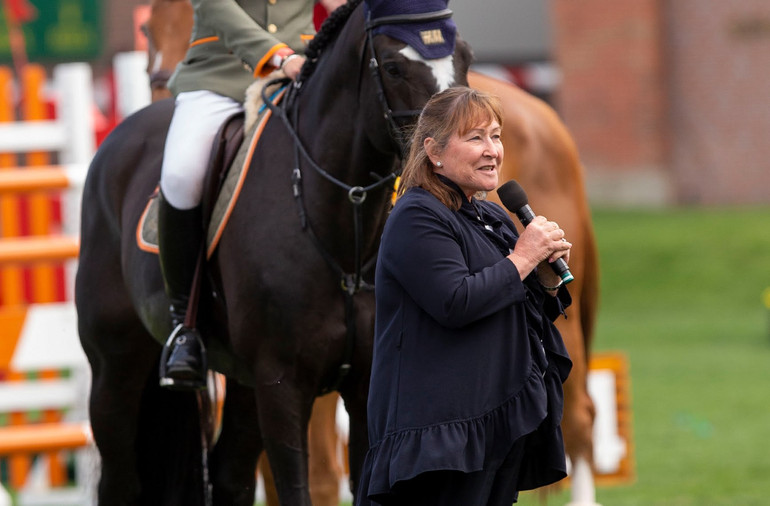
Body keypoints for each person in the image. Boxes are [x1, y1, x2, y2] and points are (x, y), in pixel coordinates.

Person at [356, 87, 574, 506]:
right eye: (475, 138)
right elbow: (456, 302)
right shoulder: (417, 216)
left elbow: (517, 304)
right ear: (433, 151)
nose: (492, 150)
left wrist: (545, 276)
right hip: (439, 440)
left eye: (496, 136)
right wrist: (523, 257)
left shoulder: (491, 214)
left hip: (491, 423)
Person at [158, 0, 323, 389]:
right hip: (222, 75)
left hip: (309, 73)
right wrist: (279, 57)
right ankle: (186, 326)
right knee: (182, 174)